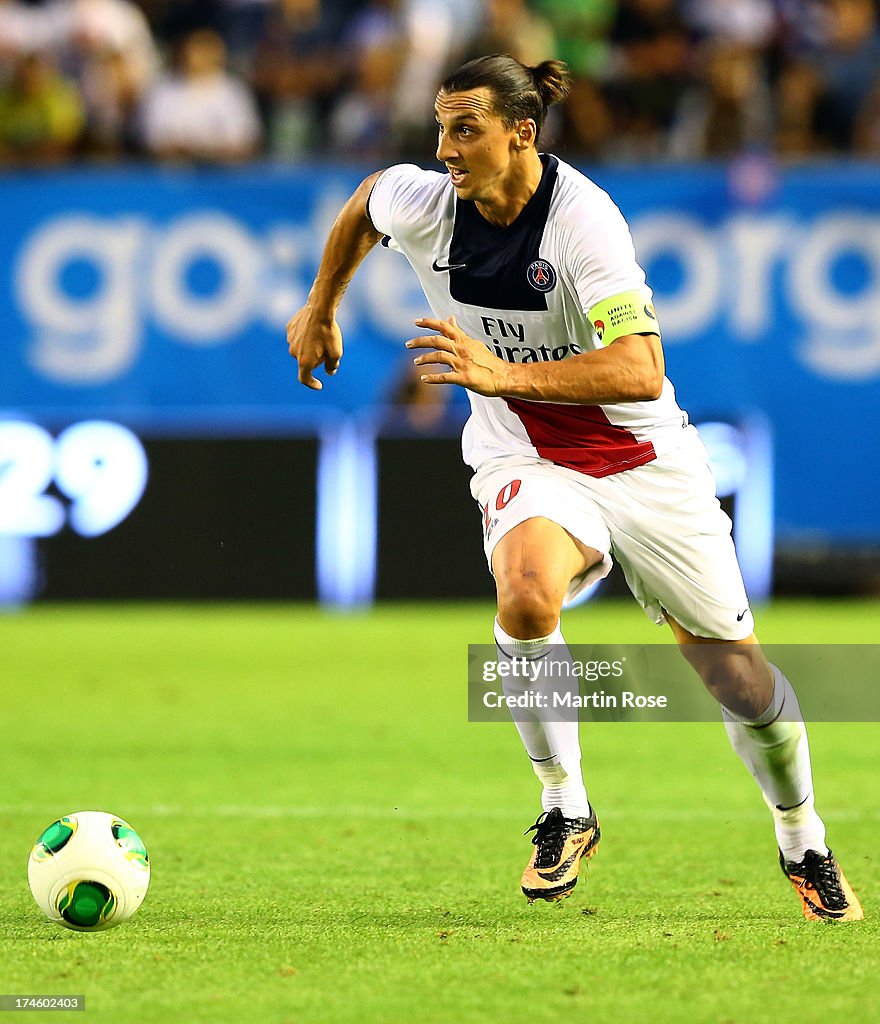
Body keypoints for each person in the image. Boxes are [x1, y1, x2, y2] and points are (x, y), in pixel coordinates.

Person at [286, 53, 863, 922]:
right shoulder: (429, 202)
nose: (445, 148)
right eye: (441, 127)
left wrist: (498, 372)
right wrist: (322, 303)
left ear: (522, 132)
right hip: (530, 461)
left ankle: (803, 839)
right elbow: (367, 200)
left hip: (646, 467)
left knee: (739, 683)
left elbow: (640, 368)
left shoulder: (584, 222)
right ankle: (566, 807)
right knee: (522, 599)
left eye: (465, 128)